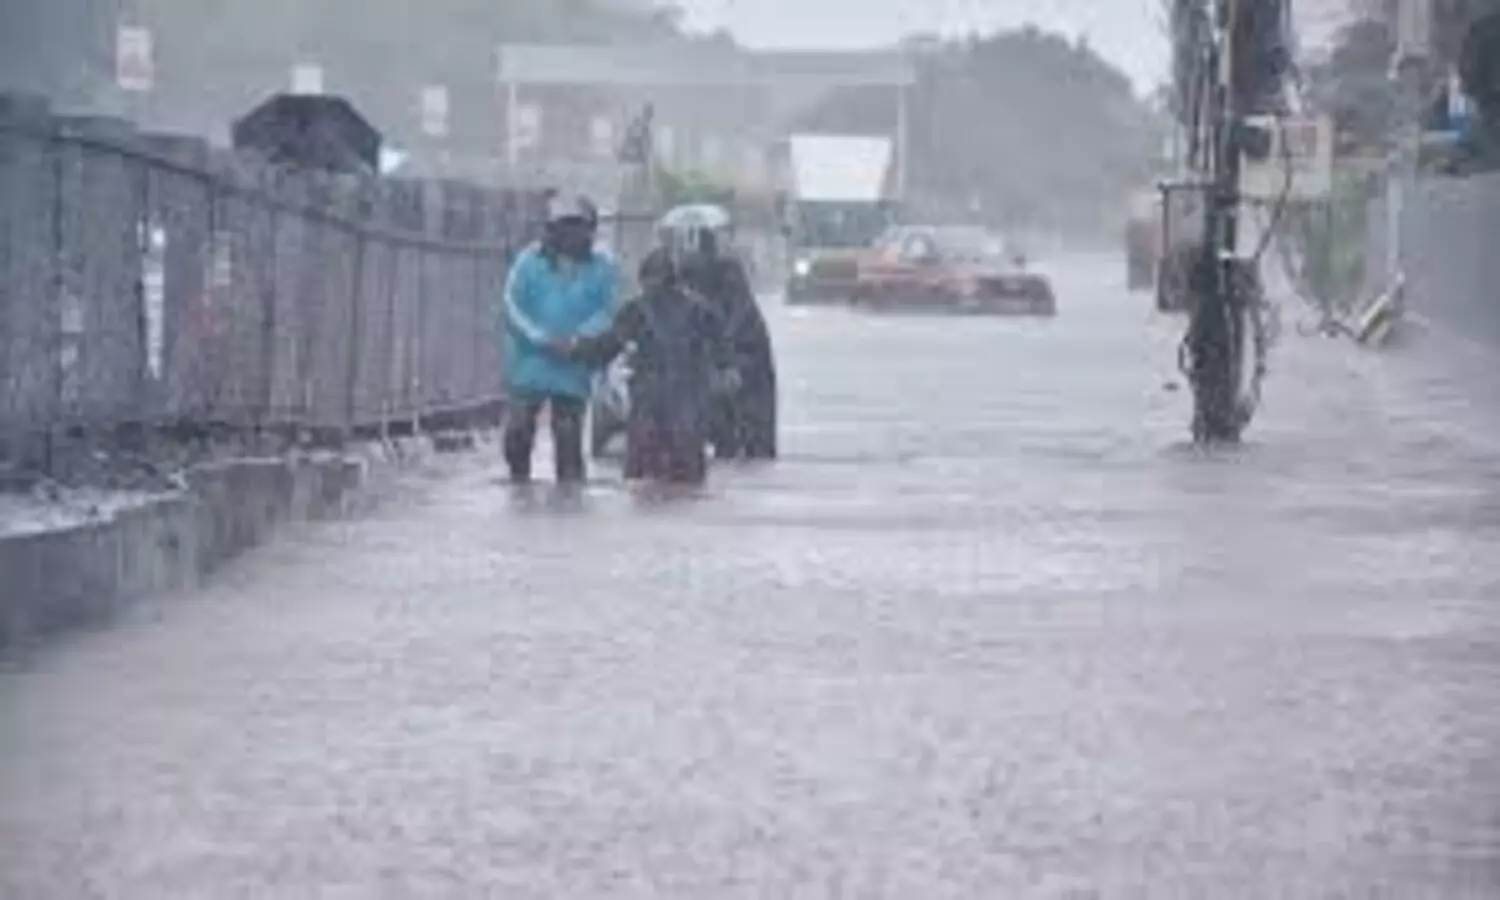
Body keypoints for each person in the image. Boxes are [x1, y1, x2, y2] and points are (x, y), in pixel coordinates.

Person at [565, 248, 736, 486]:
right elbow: (723, 345)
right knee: (683, 473)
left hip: (657, 400)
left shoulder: (640, 309)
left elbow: (608, 345)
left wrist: (578, 352)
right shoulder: (698, 309)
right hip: (680, 401)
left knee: (645, 473)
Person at [499, 192, 617, 484]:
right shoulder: (528, 262)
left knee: (568, 441)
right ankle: (518, 486)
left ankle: (569, 505)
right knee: (518, 431)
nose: (572, 234)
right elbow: (512, 305)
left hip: (573, 364)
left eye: (579, 226)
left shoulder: (602, 267)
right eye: (565, 226)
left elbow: (609, 309)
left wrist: (579, 339)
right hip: (530, 363)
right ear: (551, 229)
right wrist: (541, 338)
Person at [672, 219, 778, 460]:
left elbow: (738, 315)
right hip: (715, 361)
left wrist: (724, 345)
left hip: (747, 356)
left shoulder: (731, 275)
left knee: (754, 434)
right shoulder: (682, 277)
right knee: (719, 429)